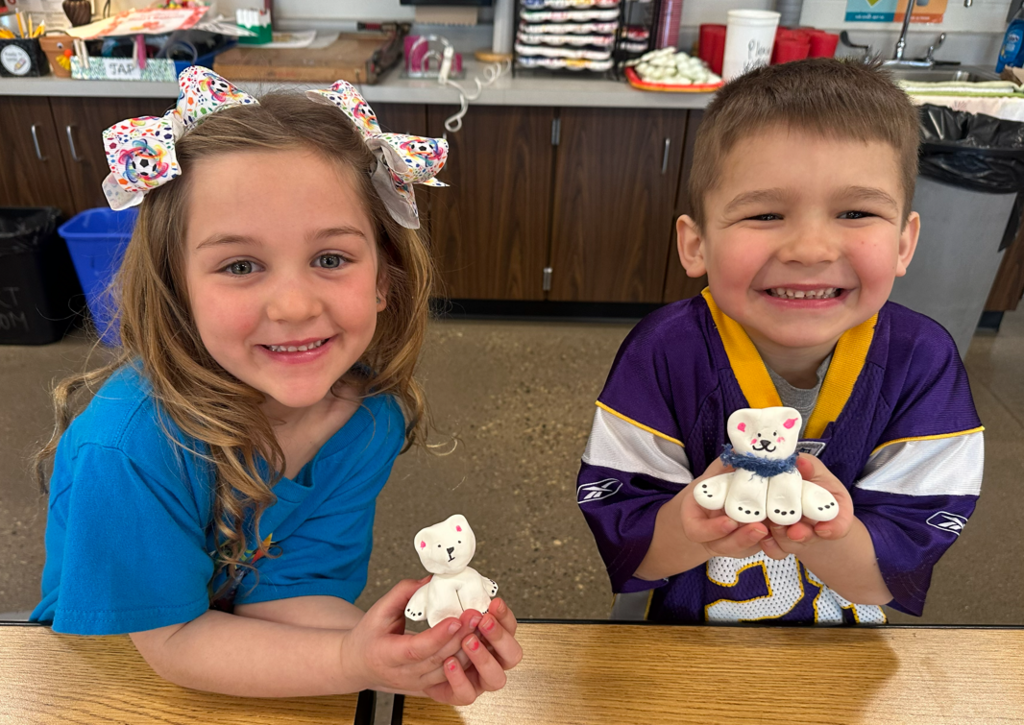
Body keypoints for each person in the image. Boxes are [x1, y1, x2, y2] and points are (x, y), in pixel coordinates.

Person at [30, 67, 521, 701]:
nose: (293, 305)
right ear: (177, 289)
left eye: (330, 258)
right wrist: (352, 661)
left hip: (243, 656)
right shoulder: (126, 448)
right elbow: (173, 642)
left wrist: (407, 657)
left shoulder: (367, 421)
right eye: (240, 265)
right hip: (106, 675)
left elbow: (294, 593)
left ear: (384, 277)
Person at [576, 59, 983, 624]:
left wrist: (822, 532)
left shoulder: (923, 361)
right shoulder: (663, 352)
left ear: (903, 243)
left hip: (841, 652)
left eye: (856, 212)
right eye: (766, 213)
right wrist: (694, 524)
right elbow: (632, 542)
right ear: (695, 245)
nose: (810, 249)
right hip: (674, 643)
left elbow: (890, 572)